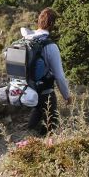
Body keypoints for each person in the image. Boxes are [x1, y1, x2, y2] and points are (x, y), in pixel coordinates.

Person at [26, 7, 70, 135]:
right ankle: (44, 145)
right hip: (45, 91)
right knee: (51, 125)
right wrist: (67, 96)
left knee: (37, 112)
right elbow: (59, 76)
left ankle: (28, 138)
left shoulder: (28, 39)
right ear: (52, 25)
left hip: (28, 87)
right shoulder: (50, 46)